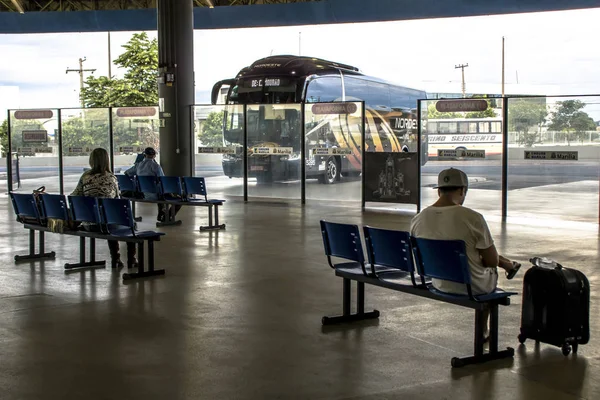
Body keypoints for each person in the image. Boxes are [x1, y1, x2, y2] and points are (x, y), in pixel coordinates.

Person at [410, 168, 521, 338]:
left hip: (439, 282)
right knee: (488, 266)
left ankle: (507, 263)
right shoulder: (473, 218)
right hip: (470, 287)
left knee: (472, 252)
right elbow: (491, 261)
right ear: (462, 190)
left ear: (439, 190)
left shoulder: (418, 219)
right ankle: (483, 330)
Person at [71, 148, 137, 269]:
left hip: (88, 223)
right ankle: (130, 259)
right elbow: (117, 200)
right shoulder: (111, 178)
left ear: (92, 160)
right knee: (128, 223)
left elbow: (74, 196)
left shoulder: (85, 176)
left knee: (108, 220)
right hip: (106, 224)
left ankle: (117, 258)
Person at [125, 147, 180, 222]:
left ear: (144, 155)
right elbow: (163, 180)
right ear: (154, 155)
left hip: (142, 194)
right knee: (179, 198)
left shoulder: (138, 166)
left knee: (158, 190)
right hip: (155, 195)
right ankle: (167, 217)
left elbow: (126, 173)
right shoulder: (156, 166)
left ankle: (161, 213)